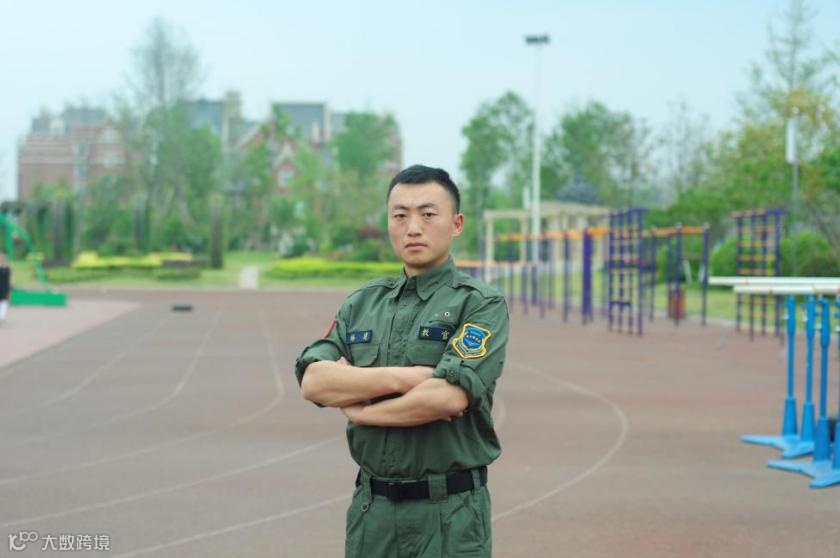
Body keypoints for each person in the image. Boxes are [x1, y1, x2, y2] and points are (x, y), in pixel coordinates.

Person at [295, 164, 509, 557]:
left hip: (450, 517)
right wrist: (407, 378)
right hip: (372, 513)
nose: (413, 228)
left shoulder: (479, 304)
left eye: (428, 214)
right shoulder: (363, 304)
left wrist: (362, 411)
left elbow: (447, 398)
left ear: (456, 224)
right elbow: (314, 381)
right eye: (400, 215)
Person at [0, 252, 10, 323]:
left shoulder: (8, 266)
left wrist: (10, 285)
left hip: (5, 286)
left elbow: (10, 277)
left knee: (4, 300)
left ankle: (2, 316)